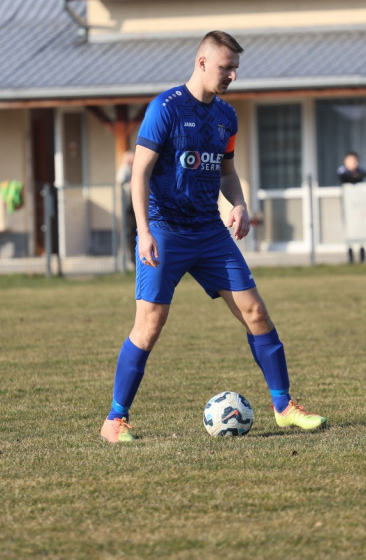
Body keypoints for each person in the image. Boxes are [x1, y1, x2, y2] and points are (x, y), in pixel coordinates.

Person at [100, 31, 326, 443]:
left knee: (256, 312)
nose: (233, 76)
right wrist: (143, 230)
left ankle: (284, 407)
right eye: (226, 68)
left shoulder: (226, 117)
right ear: (202, 62)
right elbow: (140, 173)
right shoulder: (164, 109)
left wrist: (237, 204)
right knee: (149, 324)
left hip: (209, 232)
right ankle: (115, 421)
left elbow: (226, 172)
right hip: (164, 231)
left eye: (236, 69)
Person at [115, 149, 137, 256]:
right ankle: (132, 256)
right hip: (129, 204)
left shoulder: (136, 168)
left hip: (136, 203)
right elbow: (120, 179)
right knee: (130, 230)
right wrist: (125, 164)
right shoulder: (125, 170)